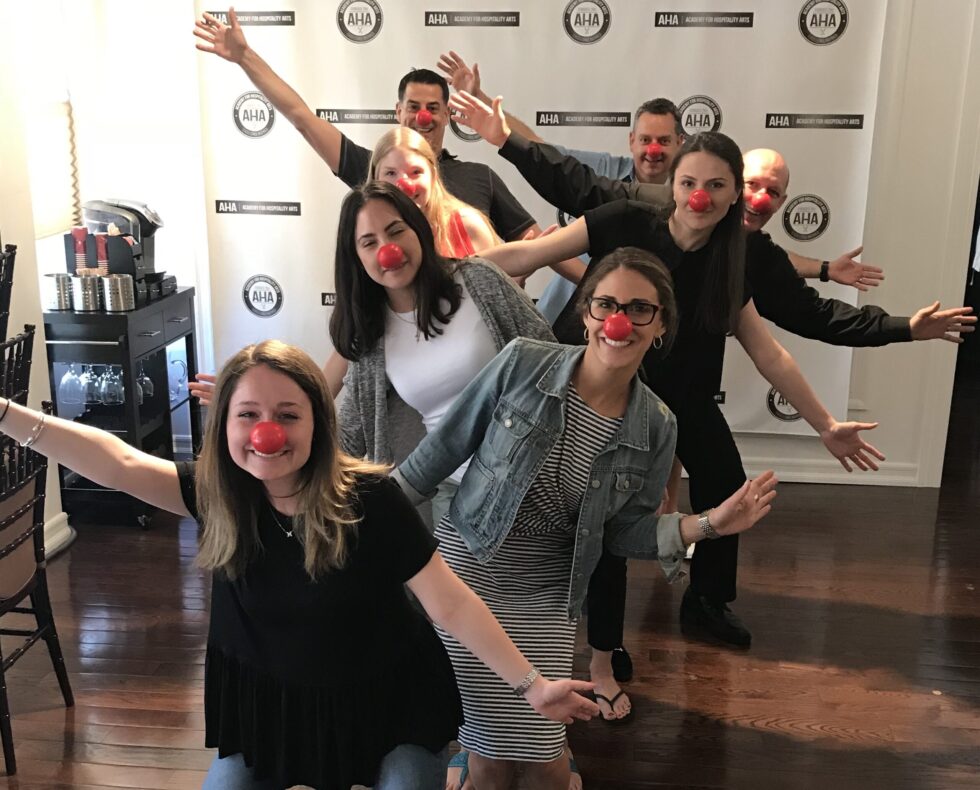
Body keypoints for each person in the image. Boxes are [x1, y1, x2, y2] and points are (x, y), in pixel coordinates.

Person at [0, 340, 599, 790]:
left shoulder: (371, 499)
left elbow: (451, 601)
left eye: (288, 414)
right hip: (271, 705)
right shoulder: (219, 494)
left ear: (317, 421)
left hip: (385, 700)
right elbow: (118, 460)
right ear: (225, 424)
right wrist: (7, 415)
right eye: (248, 414)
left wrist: (533, 685)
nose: (268, 432)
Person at [453, 103, 886, 688]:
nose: (698, 197)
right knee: (595, 510)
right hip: (593, 382)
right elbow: (528, 255)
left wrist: (827, 424)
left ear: (735, 196)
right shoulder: (626, 218)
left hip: (676, 393)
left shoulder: (736, 257)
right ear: (672, 185)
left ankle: (704, 602)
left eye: (715, 186)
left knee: (717, 482)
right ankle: (594, 646)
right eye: (688, 183)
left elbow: (769, 353)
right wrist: (444, 275)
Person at [391, 247, 779, 789]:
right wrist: (370, 517)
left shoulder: (657, 426)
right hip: (469, 572)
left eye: (640, 309)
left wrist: (707, 523)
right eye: (607, 304)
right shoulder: (522, 362)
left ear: (661, 324)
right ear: (587, 313)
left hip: (550, 588)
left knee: (544, 756)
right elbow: (443, 449)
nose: (619, 321)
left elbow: (625, 534)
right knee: (490, 760)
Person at [192, 8, 583, 285]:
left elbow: (537, 245)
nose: (423, 118)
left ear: (447, 115)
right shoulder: (374, 174)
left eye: (433, 108)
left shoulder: (479, 178)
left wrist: (602, 294)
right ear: (399, 112)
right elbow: (301, 116)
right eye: (414, 107)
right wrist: (246, 58)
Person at [331, 180, 555, 524]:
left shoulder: (478, 280)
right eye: (369, 242)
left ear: (418, 230)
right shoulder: (372, 336)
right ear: (356, 258)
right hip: (455, 496)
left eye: (395, 231)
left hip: (532, 475)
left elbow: (553, 363)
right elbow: (351, 432)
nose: (388, 250)